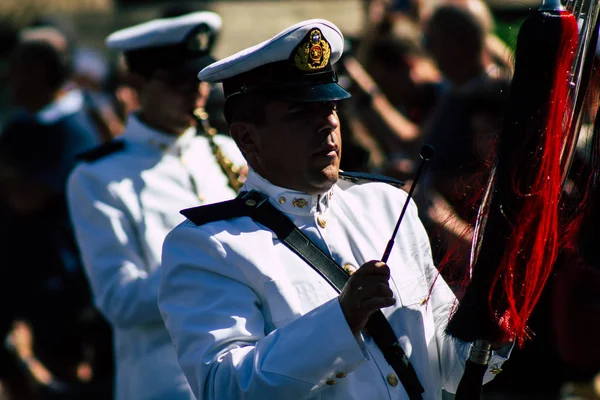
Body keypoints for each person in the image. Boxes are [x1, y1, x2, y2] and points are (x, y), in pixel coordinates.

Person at [158, 19, 510, 400]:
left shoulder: (388, 205)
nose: (326, 123)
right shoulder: (209, 247)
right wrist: (340, 320)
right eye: (300, 114)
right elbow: (223, 388)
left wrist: (497, 304)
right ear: (247, 137)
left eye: (330, 107)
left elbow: (453, 367)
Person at [67, 11, 246, 400]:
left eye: (199, 80)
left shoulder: (231, 153)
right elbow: (119, 301)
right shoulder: (98, 176)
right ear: (136, 84)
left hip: (251, 373)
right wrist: (211, 259)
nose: (196, 94)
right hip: (168, 384)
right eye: (177, 82)